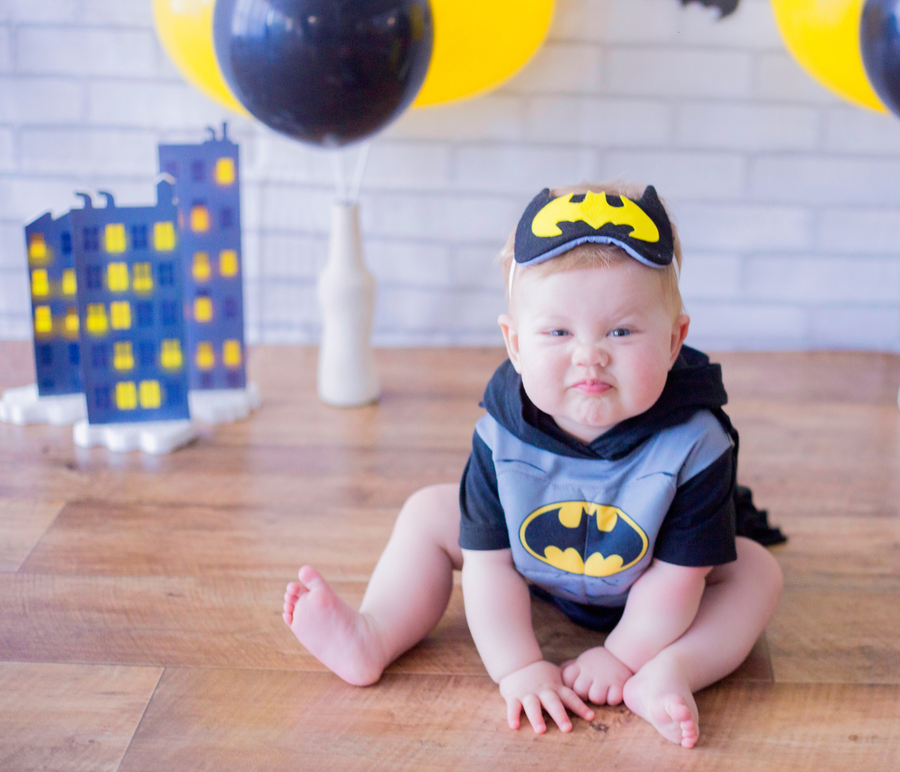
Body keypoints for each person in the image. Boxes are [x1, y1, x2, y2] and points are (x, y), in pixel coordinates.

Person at [283, 182, 784, 748]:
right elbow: (489, 566)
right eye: (558, 332)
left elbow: (678, 578)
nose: (589, 353)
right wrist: (518, 666)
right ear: (515, 344)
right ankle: (373, 635)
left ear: (674, 341)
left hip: (651, 576)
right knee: (428, 512)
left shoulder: (695, 442)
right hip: (534, 565)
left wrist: (623, 655)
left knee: (756, 573)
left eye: (621, 331)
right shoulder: (500, 434)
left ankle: (670, 672)